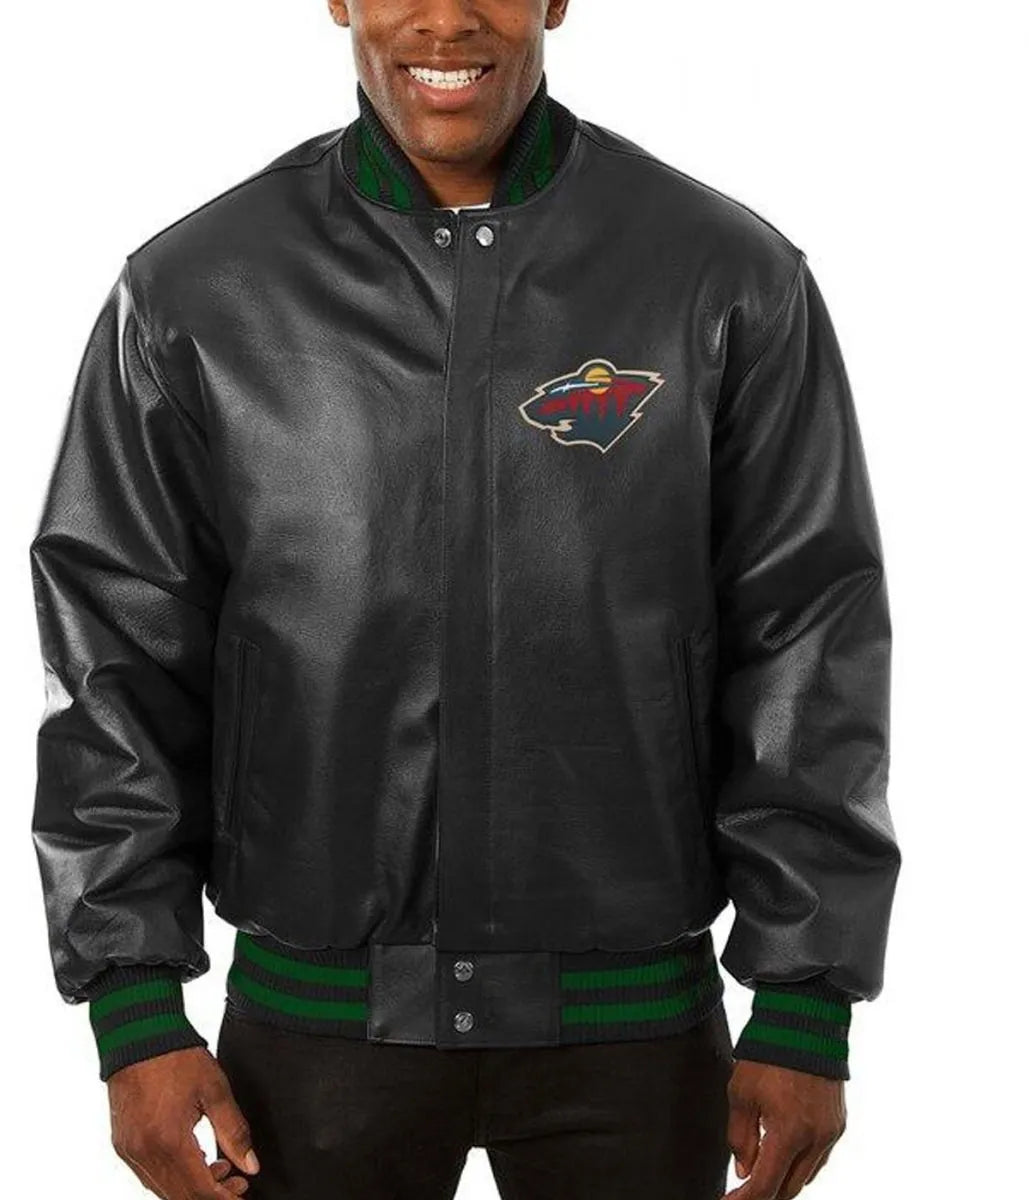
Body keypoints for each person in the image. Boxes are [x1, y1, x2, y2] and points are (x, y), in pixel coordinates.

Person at [28, 2, 901, 1198]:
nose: (446, 19)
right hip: (314, 1036)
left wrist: (807, 1002)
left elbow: (809, 634)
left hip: (636, 1038)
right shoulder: (197, 290)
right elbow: (115, 656)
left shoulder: (722, 276)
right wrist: (133, 1007)